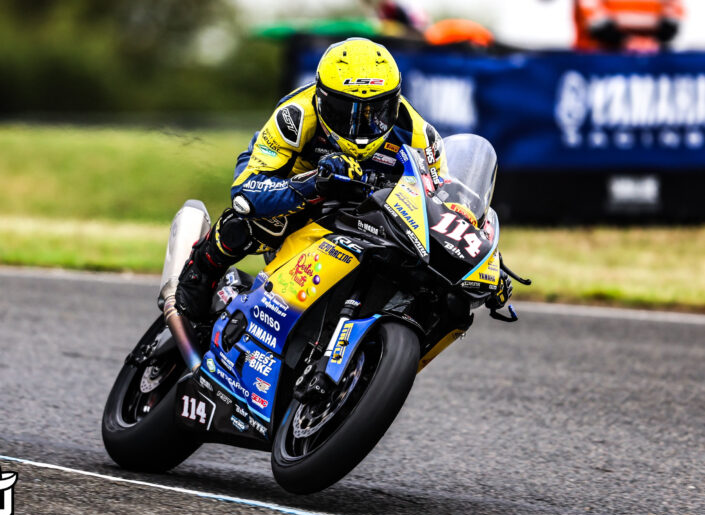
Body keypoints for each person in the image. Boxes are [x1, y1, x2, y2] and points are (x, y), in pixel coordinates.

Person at [175, 37, 512, 321]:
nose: (359, 127)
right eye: (343, 111)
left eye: (375, 112)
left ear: (394, 103)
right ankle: (199, 274)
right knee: (248, 220)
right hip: (296, 189)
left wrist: (483, 262)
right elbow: (246, 191)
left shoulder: (420, 136)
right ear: (321, 98)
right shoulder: (295, 115)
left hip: (369, 212)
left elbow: (446, 208)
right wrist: (312, 184)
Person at [574, 0, 684, 52]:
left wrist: (653, 41)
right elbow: (593, 20)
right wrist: (627, 42)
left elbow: (673, 16)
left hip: (653, 59)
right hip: (598, 58)